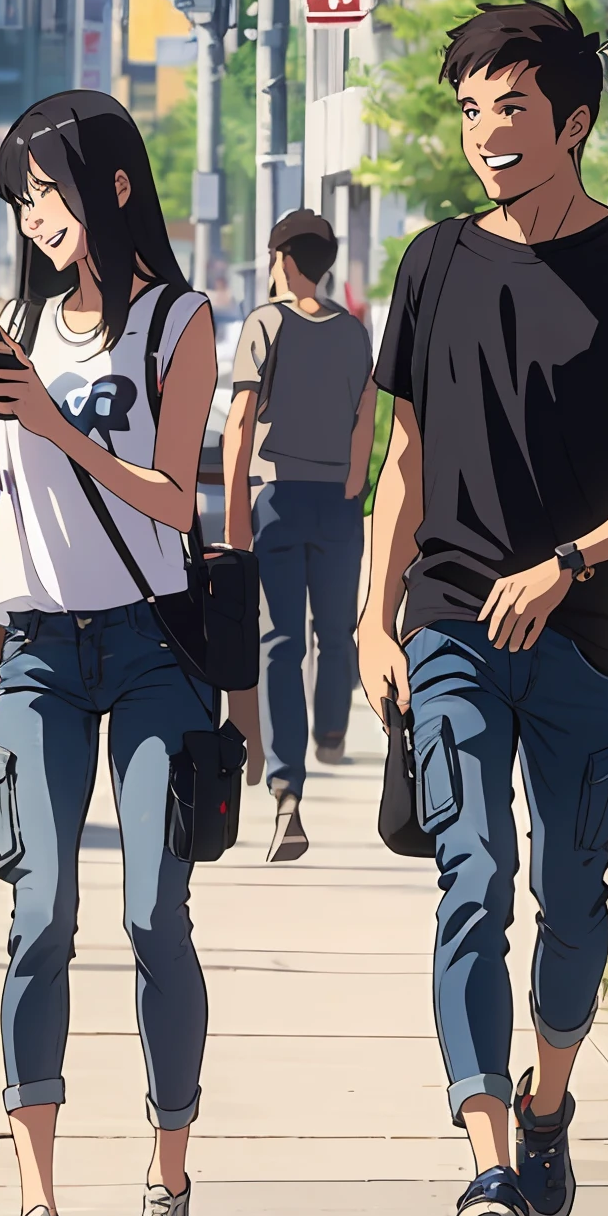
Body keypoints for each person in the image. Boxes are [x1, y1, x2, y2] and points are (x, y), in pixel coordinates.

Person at [356, 1, 608, 1216]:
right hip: (449, 620)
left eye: (510, 108)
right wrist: (371, 613)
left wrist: (567, 562)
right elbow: (402, 458)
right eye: (469, 111)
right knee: (472, 881)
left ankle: (550, 1101)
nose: (486, 134)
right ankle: (488, 1166)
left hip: (582, 641)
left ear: (571, 120)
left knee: (575, 906)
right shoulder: (430, 263)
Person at [0, 91, 252, 1216]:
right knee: (38, 917)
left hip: (150, 649)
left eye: (48, 190)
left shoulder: (177, 322)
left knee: (154, 914)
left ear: (108, 184)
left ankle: (167, 1182)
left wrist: (52, 423)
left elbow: (174, 500)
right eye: (19, 200)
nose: (35, 215)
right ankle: (37, 1213)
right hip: (36, 650)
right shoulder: (17, 331)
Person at [222, 209, 375, 862]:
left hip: (277, 497)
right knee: (333, 631)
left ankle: (288, 788)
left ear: (285, 259)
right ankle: (333, 730)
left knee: (281, 642)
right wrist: (353, 485)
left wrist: (234, 517)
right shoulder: (354, 333)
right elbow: (367, 415)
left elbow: (239, 423)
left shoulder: (265, 323)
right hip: (337, 500)